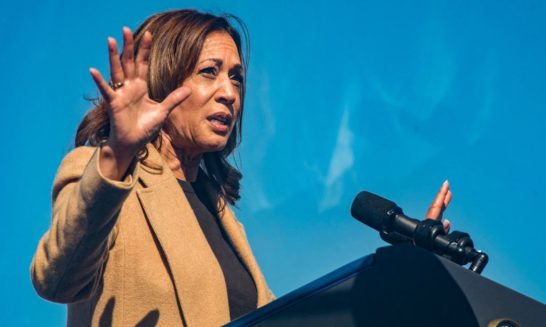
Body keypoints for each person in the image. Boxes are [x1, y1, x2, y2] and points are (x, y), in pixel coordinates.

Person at [31, 8, 452, 327]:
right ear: (163, 80)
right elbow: (56, 278)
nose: (229, 92)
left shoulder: (222, 218)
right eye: (209, 72)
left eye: (236, 78)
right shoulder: (101, 173)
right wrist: (117, 154)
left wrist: (401, 271)